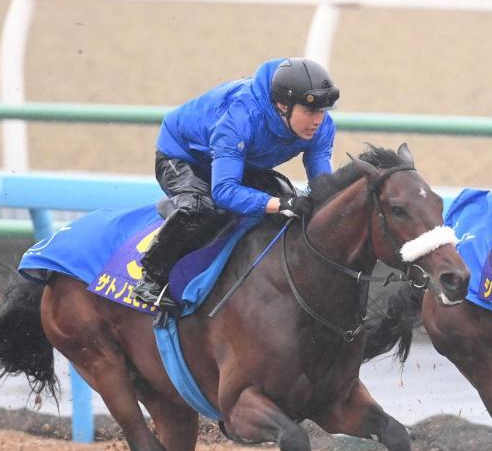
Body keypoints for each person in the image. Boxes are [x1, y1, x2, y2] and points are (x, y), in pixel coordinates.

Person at [133, 57, 340, 310]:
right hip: (183, 156)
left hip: (237, 160)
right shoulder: (241, 116)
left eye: (322, 111)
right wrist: (283, 203)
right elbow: (223, 191)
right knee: (201, 208)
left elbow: (322, 186)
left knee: (284, 194)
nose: (317, 120)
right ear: (282, 106)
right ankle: (151, 277)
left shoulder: (321, 127)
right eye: (309, 111)